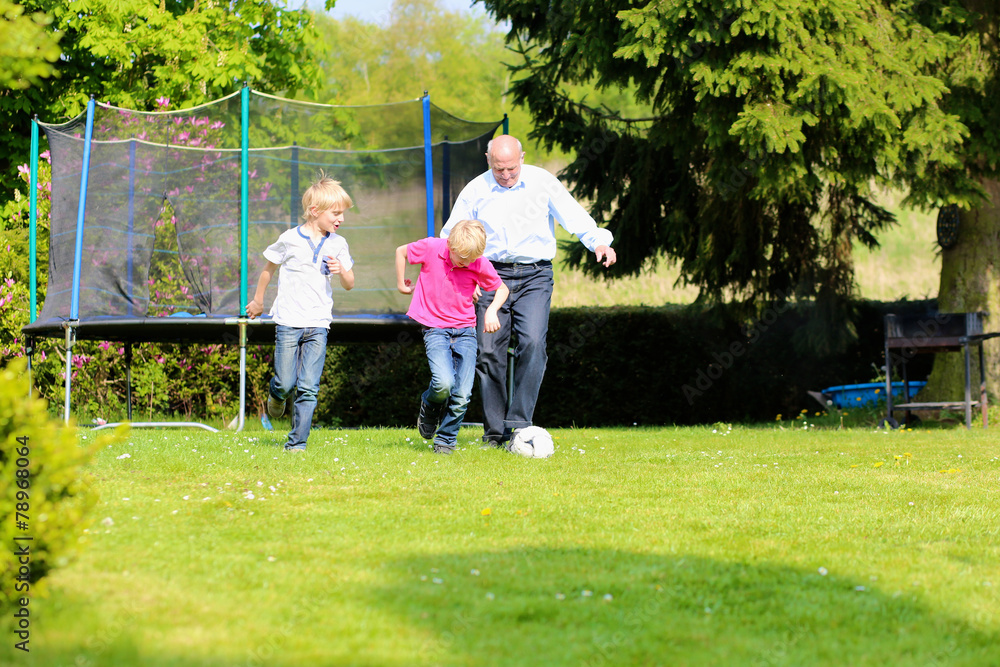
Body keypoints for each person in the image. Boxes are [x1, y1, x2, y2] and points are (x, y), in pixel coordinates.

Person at [440, 135, 616, 449]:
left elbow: (574, 217)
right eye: (498, 170)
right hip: (489, 275)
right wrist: (467, 275)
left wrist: (600, 242)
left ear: (522, 157)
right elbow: (451, 235)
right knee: (489, 352)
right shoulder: (475, 190)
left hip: (535, 275)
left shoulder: (543, 183)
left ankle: (519, 427)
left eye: (510, 168)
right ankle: (495, 434)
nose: (506, 175)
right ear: (488, 160)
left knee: (533, 344)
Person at [246, 173, 355, 452]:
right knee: (285, 382)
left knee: (308, 387)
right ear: (315, 211)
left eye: (342, 213)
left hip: (319, 324)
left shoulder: (338, 244)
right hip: (288, 322)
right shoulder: (289, 239)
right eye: (336, 213)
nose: (340, 219)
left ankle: (296, 444)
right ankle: (277, 395)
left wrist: (341, 271)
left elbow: (350, 283)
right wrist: (258, 302)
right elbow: (267, 271)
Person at [396, 219, 509, 454]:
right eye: (461, 260)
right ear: (449, 244)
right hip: (435, 328)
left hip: (466, 330)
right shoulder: (431, 247)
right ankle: (430, 403)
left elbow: (502, 288)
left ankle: (446, 439)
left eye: (471, 261)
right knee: (443, 383)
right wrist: (401, 284)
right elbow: (401, 251)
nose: (466, 264)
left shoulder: (477, 262)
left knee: (462, 393)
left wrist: (491, 310)